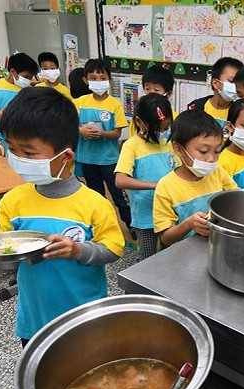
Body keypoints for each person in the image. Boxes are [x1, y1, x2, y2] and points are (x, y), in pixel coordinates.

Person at [0, 88, 124, 346]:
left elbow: (113, 250)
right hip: (35, 321)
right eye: (13, 150)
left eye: (28, 153)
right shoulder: (13, 202)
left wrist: (77, 250)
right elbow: (14, 260)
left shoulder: (95, 204)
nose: (17, 160)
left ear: (66, 157)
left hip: (84, 319)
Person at [153, 110, 237, 247]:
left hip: (214, 246)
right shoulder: (166, 187)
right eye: (203, 151)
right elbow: (165, 238)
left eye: (217, 151)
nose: (211, 159)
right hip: (183, 254)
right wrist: (189, 224)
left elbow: (236, 199)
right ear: (178, 149)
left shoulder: (217, 172)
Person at [114, 94, 176, 259]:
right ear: (140, 122)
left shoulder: (169, 143)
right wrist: (155, 185)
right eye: (158, 129)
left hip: (168, 212)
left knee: (169, 255)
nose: (163, 132)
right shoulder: (131, 146)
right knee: (147, 257)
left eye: (166, 127)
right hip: (145, 215)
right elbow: (120, 180)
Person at [73, 58, 132, 229]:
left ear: (109, 79)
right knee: (97, 196)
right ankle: (103, 226)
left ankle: (129, 224)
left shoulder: (115, 105)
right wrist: (81, 130)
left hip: (109, 159)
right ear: (85, 80)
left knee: (118, 195)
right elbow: (69, 123)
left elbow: (117, 133)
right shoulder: (79, 103)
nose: (98, 82)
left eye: (102, 78)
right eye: (93, 78)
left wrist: (103, 133)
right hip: (88, 159)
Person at [0, 52, 38, 154]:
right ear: (13, 72)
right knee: (8, 165)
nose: (29, 80)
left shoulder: (29, 90)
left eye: (31, 77)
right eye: (26, 77)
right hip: (5, 138)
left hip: (27, 137)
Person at [186, 57, 244, 127]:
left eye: (238, 83)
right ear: (215, 83)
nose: (235, 86)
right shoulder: (196, 107)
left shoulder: (239, 113)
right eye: (231, 81)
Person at [130, 64, 177, 135]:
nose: (151, 93)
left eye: (156, 90)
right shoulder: (139, 116)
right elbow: (133, 140)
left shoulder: (175, 118)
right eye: (147, 89)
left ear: (168, 93)